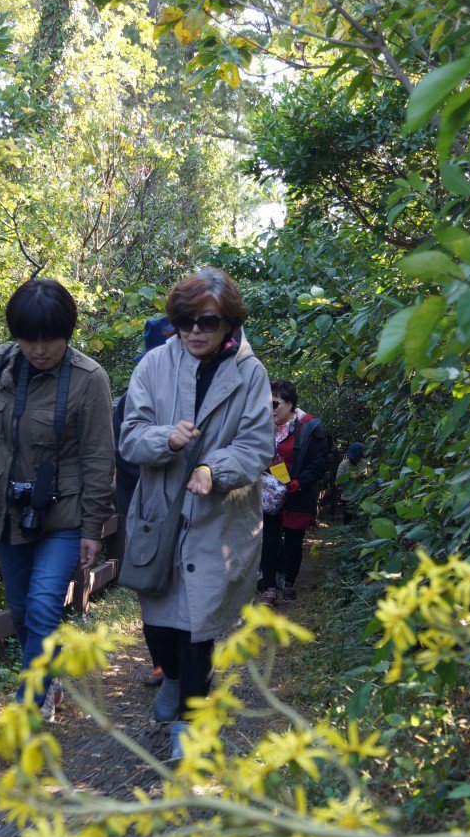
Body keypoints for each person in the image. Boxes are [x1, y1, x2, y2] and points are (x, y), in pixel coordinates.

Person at [119, 267, 273, 759]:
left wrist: (214, 467)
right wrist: (166, 438)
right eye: (184, 322)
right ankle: (174, 680)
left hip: (219, 520)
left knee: (198, 625)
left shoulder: (251, 374)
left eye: (206, 322)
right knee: (160, 625)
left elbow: (256, 446)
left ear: (229, 322)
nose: (194, 332)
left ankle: (191, 723)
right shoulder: (152, 366)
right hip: (161, 513)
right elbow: (129, 436)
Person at [0, 278, 116, 720]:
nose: (38, 349)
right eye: (28, 338)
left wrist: (93, 527)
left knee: (42, 606)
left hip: (65, 512)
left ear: (68, 334)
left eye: (49, 339)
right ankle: (50, 681)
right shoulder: (6, 364)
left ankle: (28, 707)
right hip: (11, 508)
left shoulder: (89, 379)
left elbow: (99, 456)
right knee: (21, 612)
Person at [112, 314, 175, 688]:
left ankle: (183, 665)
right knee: (151, 581)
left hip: (183, 501)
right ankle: (164, 662)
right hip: (146, 504)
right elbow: (124, 453)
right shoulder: (131, 398)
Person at [259, 379, 328, 605]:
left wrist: (300, 482)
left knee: (292, 543)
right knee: (268, 542)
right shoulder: (263, 427)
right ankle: (269, 587)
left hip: (297, 495)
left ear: (290, 404)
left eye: (275, 404)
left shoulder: (309, 427)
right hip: (270, 496)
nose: (270, 409)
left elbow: (319, 463)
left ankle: (289, 582)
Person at [336, 442, 367, 524]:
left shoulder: (364, 463)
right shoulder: (344, 464)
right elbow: (338, 481)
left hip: (360, 496)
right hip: (347, 497)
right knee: (348, 520)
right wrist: (349, 477)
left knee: (359, 520)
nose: (356, 459)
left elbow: (368, 477)